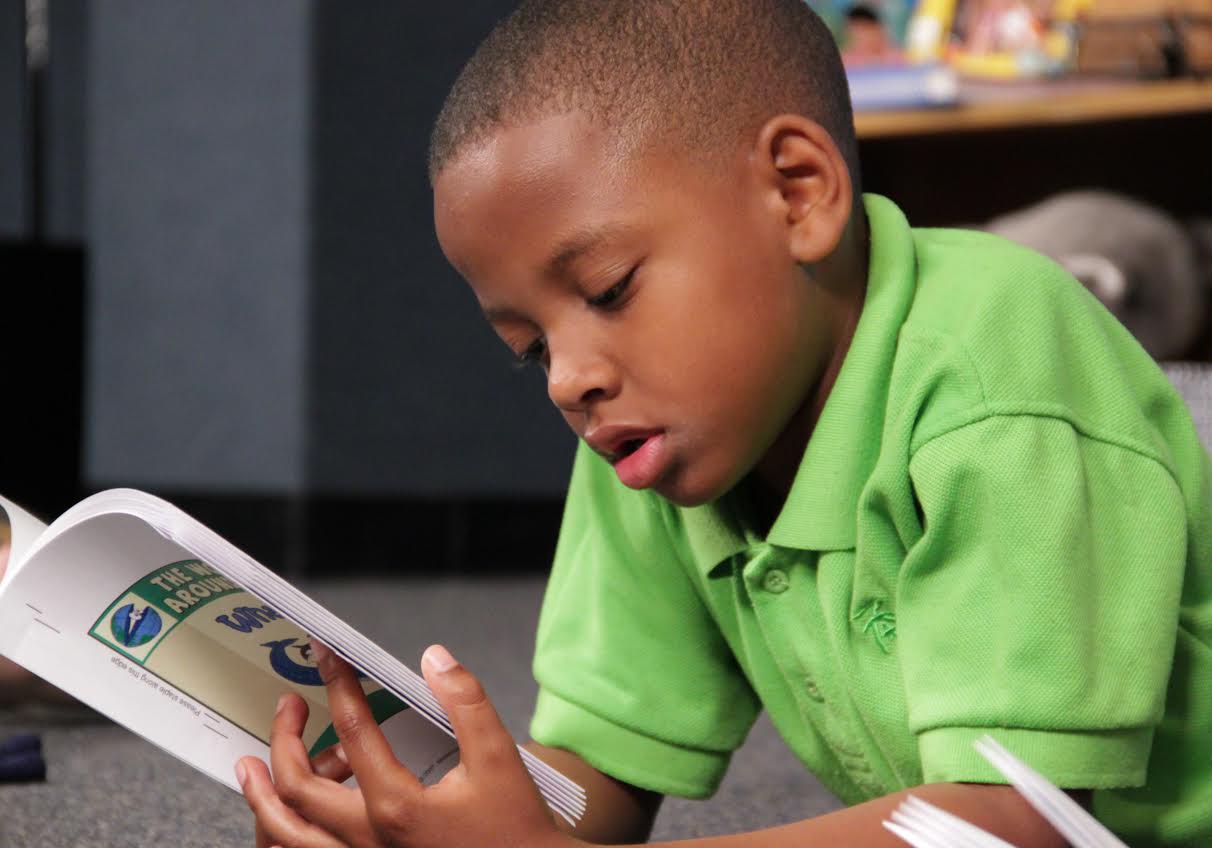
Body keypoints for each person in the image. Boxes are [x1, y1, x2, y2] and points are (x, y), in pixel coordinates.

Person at [236, 1, 1212, 845]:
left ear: (797, 191)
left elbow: (1013, 821)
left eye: (609, 289)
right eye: (531, 346)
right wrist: (430, 816)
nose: (568, 379)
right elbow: (598, 777)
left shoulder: (998, 380)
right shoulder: (654, 429)